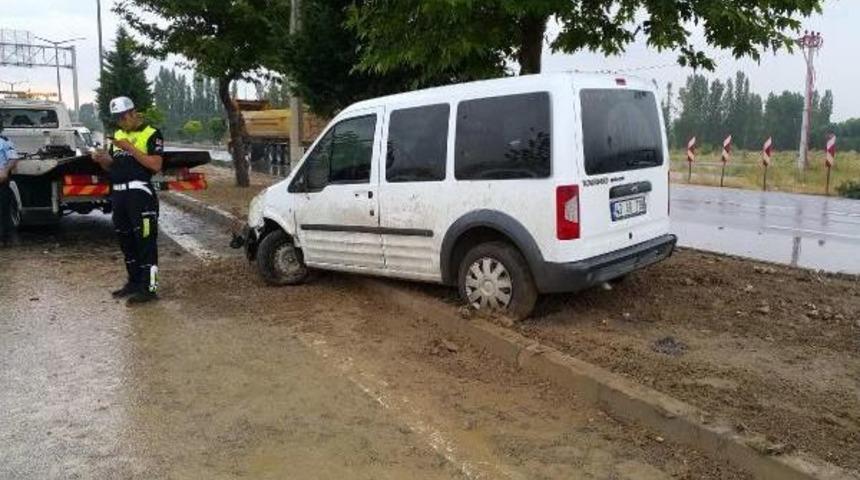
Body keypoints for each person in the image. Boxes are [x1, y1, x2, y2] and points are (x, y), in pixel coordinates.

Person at [92, 97, 164, 305]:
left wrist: (130, 147)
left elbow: (156, 165)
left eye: (124, 117)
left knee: (146, 242)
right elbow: (113, 166)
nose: (122, 123)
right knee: (126, 241)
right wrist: (103, 160)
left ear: (134, 113)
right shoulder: (118, 135)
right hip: (119, 195)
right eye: (118, 119)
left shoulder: (151, 133)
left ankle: (148, 289)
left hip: (140, 193)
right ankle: (133, 282)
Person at [0, 121, 20, 247]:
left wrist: (5, 171)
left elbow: (13, 158)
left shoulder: (4, 141)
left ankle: (2, 239)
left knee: (2, 211)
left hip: (0, 181)